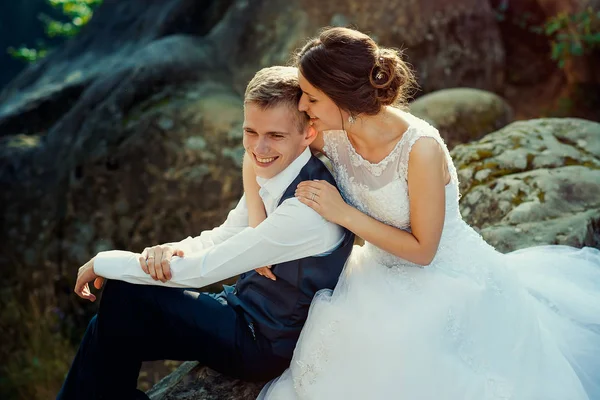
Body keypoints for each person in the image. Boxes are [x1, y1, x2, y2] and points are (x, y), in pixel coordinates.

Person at [242, 27, 600, 399]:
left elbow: (423, 251)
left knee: (403, 348)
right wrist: (259, 227)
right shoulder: (328, 133)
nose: (303, 107)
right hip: (376, 272)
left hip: (445, 274)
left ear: (340, 97)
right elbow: (258, 154)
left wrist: (342, 212)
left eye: (311, 99)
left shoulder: (419, 149)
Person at [56, 66, 355, 400]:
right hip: (237, 309)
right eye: (251, 132)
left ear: (308, 133)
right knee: (107, 327)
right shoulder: (277, 172)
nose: (259, 147)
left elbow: (206, 269)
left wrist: (105, 262)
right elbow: (223, 235)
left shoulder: (306, 209)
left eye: (276, 135)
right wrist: (169, 250)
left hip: (261, 343)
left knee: (127, 291)